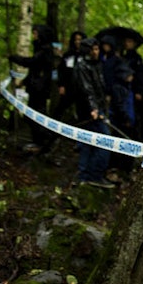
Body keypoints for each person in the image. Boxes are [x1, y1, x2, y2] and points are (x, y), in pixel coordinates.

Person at [71, 37, 114, 188]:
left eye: (97, 49)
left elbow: (99, 87)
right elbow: (86, 89)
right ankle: (94, 175)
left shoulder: (97, 65)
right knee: (104, 141)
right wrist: (93, 108)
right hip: (90, 112)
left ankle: (85, 175)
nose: (96, 52)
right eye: (93, 49)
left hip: (97, 109)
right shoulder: (82, 66)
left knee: (87, 142)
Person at [8, 24, 56, 153]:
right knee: (31, 116)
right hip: (35, 88)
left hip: (40, 90)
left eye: (35, 33)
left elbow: (32, 62)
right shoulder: (40, 48)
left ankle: (44, 141)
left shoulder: (46, 51)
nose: (34, 36)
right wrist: (24, 81)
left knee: (37, 116)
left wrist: (15, 58)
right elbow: (34, 69)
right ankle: (38, 141)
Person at [53, 30, 86, 123]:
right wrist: (61, 85)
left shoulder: (86, 56)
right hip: (68, 87)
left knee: (82, 111)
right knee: (60, 109)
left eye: (80, 40)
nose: (77, 42)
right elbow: (61, 71)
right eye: (76, 40)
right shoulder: (68, 55)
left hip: (82, 88)